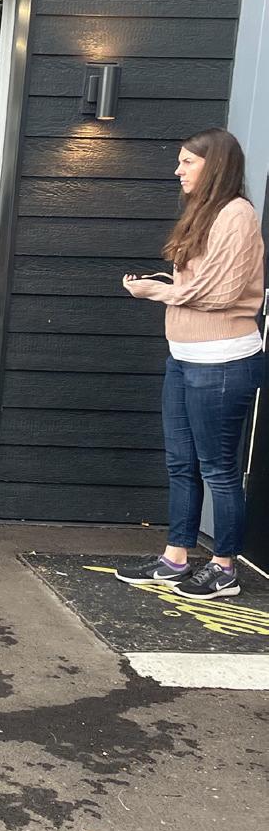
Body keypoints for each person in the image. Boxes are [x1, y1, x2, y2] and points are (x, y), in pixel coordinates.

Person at [116, 127, 264, 600]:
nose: (177, 170)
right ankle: (175, 558)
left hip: (222, 362)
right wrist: (165, 285)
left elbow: (221, 293)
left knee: (218, 469)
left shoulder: (237, 215)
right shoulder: (204, 212)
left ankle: (224, 568)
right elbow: (199, 285)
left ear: (214, 165)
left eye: (187, 162)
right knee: (181, 464)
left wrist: (158, 291)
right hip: (184, 358)